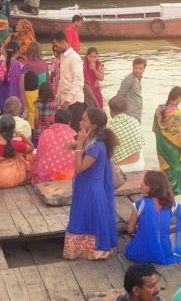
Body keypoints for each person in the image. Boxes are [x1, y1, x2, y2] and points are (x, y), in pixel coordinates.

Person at [63, 108, 118, 260]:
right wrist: (74, 143)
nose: (80, 122)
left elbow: (79, 168)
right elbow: (81, 144)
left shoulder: (98, 146)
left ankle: (96, 251)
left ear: (93, 126)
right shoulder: (90, 139)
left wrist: (78, 144)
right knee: (82, 215)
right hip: (83, 187)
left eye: (84, 120)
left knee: (90, 218)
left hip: (92, 190)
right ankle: (80, 249)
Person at [125, 170, 181, 264]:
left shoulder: (139, 204)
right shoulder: (172, 205)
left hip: (139, 253)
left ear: (153, 187)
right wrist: (167, 231)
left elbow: (130, 230)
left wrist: (145, 232)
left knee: (130, 247)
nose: (141, 184)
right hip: (164, 252)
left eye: (145, 183)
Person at [153, 86, 181, 195]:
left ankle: (162, 195)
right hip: (173, 151)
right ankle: (171, 200)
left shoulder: (158, 110)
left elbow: (154, 129)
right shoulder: (177, 113)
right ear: (178, 97)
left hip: (161, 148)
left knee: (164, 172)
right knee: (174, 176)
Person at [31, 107, 76, 183]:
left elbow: (39, 155)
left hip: (45, 176)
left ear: (54, 119)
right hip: (67, 176)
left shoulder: (45, 133)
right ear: (69, 122)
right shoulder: (74, 135)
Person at [52, 31, 85, 130]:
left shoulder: (74, 57)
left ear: (63, 42)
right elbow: (63, 80)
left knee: (73, 133)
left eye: (56, 45)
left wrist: (67, 101)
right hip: (66, 103)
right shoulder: (63, 57)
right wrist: (58, 98)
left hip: (74, 102)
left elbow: (78, 82)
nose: (55, 48)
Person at [107, 95, 145, 171]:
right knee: (138, 149)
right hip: (139, 164)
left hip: (121, 169)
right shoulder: (134, 121)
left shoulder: (109, 127)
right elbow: (141, 142)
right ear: (125, 109)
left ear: (111, 110)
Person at [0, 39, 24, 109]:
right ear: (18, 51)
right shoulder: (20, 66)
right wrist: (23, 106)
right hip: (13, 104)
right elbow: (21, 88)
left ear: (6, 50)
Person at [23, 41, 49, 127]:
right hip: (43, 97)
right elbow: (48, 82)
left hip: (29, 97)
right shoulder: (44, 64)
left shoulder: (25, 64)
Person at [117, 57, 147, 122]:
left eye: (140, 68)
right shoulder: (129, 79)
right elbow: (119, 96)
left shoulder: (138, 78)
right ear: (132, 67)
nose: (137, 70)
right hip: (129, 115)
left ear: (144, 69)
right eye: (135, 68)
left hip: (136, 114)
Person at [31, 81, 57, 145]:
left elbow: (36, 118)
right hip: (52, 131)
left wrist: (35, 126)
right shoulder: (55, 102)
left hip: (40, 132)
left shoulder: (38, 103)